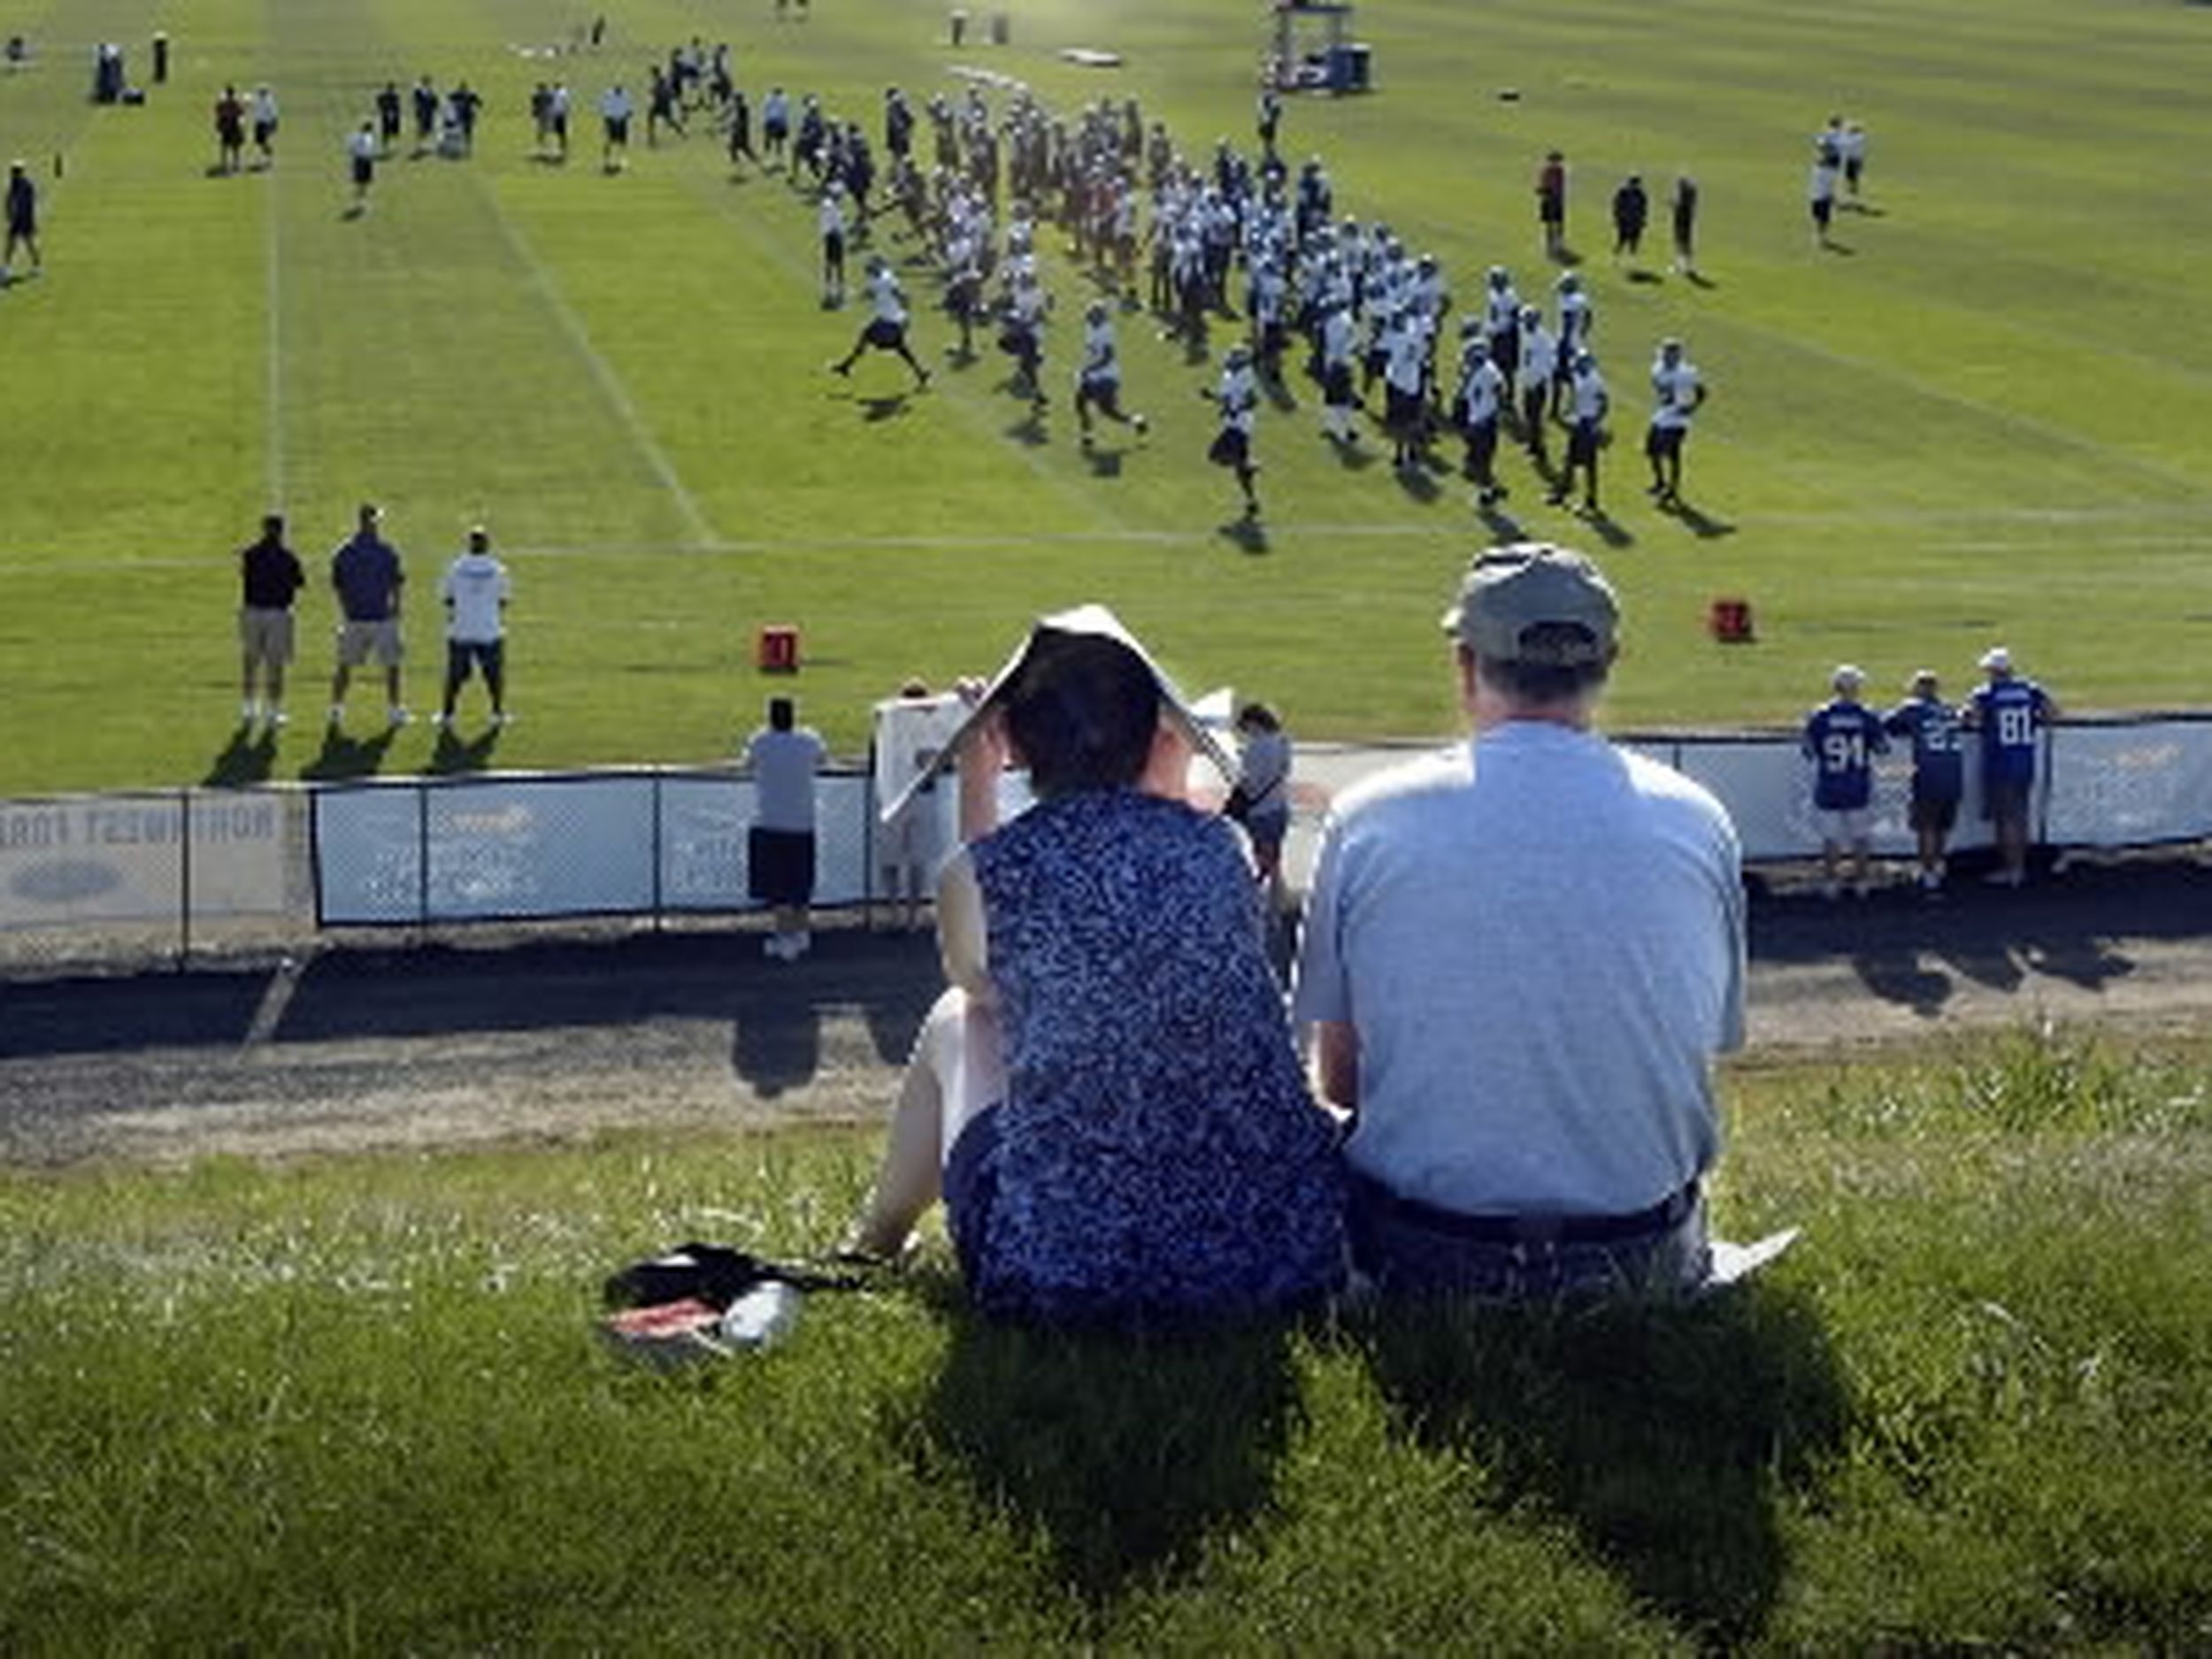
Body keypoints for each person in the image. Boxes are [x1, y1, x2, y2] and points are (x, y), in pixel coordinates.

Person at [849, 606, 1344, 1325]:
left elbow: (983, 988)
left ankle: (875, 1239)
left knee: (956, 1020)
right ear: (1157, 734)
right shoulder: (1224, 850)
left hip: (1064, 1272)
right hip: (1270, 1261)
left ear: (1015, 741)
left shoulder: (983, 870)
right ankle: (874, 1239)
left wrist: (976, 778)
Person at [1294, 546, 1744, 1298]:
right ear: (1611, 661)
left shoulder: (1371, 817)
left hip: (1424, 1253)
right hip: (1643, 1250)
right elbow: (1699, 1045)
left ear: (1464, 664)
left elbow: (1342, 1078)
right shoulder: (1697, 819)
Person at [1965, 646, 2058, 887]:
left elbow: (1972, 719)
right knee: (2020, 816)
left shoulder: (1985, 694)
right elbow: (2052, 713)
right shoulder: (2030, 689)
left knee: (2005, 820)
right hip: (2024, 760)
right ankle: (2019, 865)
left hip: (2000, 762)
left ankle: (2013, 869)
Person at [745, 695, 827, 960]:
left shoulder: (760, 741)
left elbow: (748, 763)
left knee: (779, 886)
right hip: (802, 823)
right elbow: (823, 760)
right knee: (800, 883)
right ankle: (801, 934)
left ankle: (784, 937)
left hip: (770, 821)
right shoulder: (809, 741)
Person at [1802, 664, 1890, 899]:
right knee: (1861, 837)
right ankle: (1861, 882)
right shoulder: (1867, 716)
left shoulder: (1821, 715)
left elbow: (1809, 750)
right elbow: (1883, 748)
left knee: (1831, 839)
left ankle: (1831, 882)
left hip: (1830, 784)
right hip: (1858, 784)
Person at [1884, 669, 1967, 893]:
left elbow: (1889, 725)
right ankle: (1938, 865)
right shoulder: (1949, 710)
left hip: (1929, 775)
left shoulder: (1913, 708)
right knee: (1941, 826)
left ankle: (1928, 872)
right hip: (1954, 775)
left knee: (1926, 827)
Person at [328, 503, 408, 729]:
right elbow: (396, 583)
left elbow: (338, 585)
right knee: (392, 665)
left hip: (354, 617)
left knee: (345, 665)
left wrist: (345, 610)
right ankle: (394, 710)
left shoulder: (344, 551)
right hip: (382, 618)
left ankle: (336, 709)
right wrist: (397, 608)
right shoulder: (386, 551)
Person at [434, 526, 511, 729]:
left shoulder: (455, 568)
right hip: (489, 629)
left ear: (470, 544)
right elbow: (503, 601)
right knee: (493, 675)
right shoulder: (498, 570)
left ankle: (447, 716)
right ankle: (497, 714)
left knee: (454, 676)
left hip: (461, 629)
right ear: (487, 545)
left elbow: (447, 598)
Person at [236, 513, 304, 727]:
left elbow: (244, 574)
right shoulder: (288, 557)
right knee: (275, 664)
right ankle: (273, 711)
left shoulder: (250, 554)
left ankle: (248, 708)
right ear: (281, 531)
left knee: (250, 661)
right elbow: (299, 583)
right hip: (278, 614)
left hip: (252, 612)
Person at [827, 254, 932, 388]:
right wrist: (853, 296)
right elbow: (870, 294)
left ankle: (846, 366)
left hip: (891, 321)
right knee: (901, 349)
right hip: (890, 319)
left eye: (870, 268)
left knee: (868, 337)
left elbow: (898, 293)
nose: (868, 271)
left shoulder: (886, 280)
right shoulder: (879, 279)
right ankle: (921, 373)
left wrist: (905, 310)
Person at [1228, 701, 1293, 901]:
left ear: (1254, 723)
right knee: (1274, 856)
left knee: (1263, 856)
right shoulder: (1283, 741)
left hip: (1260, 811)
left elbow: (1251, 785)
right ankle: (1278, 895)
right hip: (1280, 807)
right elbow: (1285, 770)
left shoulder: (1254, 748)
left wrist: (1237, 778)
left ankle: (1271, 899)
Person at [1072, 299, 1147, 447]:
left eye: (1093, 315)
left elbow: (1108, 357)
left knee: (1107, 411)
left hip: (1107, 376)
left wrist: (1089, 368)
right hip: (1093, 374)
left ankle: (1136, 421)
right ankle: (1088, 436)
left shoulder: (1106, 331)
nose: (1089, 317)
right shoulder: (1090, 327)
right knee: (1080, 403)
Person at [1645, 335, 1707, 505]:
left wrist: (1691, 408)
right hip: (1661, 416)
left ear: (1677, 355)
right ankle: (1660, 482)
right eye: (1665, 352)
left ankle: (1672, 489)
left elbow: (1702, 392)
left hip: (1678, 421)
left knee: (1672, 454)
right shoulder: (1657, 368)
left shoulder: (1687, 372)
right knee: (1651, 451)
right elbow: (1658, 386)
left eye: (1671, 353)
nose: (1666, 356)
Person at [1203, 344, 1263, 518]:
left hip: (1241, 425)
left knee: (1215, 455)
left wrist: (1237, 410)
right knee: (1239, 471)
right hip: (1231, 423)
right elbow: (1226, 398)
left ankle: (1247, 464)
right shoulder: (1228, 375)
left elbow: (1253, 400)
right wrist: (1211, 397)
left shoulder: (1248, 375)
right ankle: (1251, 500)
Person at [1550, 349, 1608, 516]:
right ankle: (1563, 492)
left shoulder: (1594, 381)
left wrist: (1595, 423)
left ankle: (1591, 500)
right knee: (1569, 459)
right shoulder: (1580, 376)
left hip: (1586, 424)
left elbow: (1604, 404)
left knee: (1589, 464)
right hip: (1579, 422)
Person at [2, 159, 39, 284]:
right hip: (17, 219)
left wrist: (17, 216)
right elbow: (8, 200)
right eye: (14, 170)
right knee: (11, 244)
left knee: (29, 244)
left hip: (24, 219)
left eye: (16, 171)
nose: (15, 173)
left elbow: (28, 203)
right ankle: (7, 268)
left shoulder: (26, 185)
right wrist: (9, 213)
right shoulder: (14, 183)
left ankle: (36, 266)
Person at [1535, 149, 1567, 261]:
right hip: (1548, 200)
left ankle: (1558, 243)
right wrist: (1544, 192)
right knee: (1549, 224)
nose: (1556, 163)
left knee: (1559, 223)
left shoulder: (1560, 171)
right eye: (1555, 160)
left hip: (1558, 200)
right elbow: (1540, 186)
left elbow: (1562, 187)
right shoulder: (1546, 171)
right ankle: (1549, 245)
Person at [1610, 173, 1648, 262]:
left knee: (1634, 242)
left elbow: (1644, 208)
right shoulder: (1623, 192)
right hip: (1625, 221)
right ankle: (1615, 258)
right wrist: (1617, 218)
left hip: (1635, 222)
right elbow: (1617, 206)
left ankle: (1632, 260)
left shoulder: (1640, 194)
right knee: (1621, 241)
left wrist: (1642, 220)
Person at [1670, 173, 1700, 276]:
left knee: (1680, 245)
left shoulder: (1683, 199)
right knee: (1687, 245)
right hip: (1688, 222)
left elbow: (1677, 208)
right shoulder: (1690, 197)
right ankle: (1688, 266)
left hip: (1681, 223)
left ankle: (1681, 267)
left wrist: (1672, 204)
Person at [599, 82, 633, 171]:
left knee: (622, 142)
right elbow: (603, 105)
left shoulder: (625, 95)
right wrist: (606, 117)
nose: (619, 90)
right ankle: (607, 161)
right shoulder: (609, 94)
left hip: (622, 120)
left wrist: (628, 114)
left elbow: (629, 107)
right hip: (612, 120)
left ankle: (620, 160)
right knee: (610, 141)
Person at [345, 119, 378, 211]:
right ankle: (359, 203)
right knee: (362, 184)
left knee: (363, 183)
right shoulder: (364, 137)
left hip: (362, 160)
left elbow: (349, 149)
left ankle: (361, 203)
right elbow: (352, 148)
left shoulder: (357, 136)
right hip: (362, 161)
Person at [214, 85, 247, 173]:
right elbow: (241, 113)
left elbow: (217, 111)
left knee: (225, 147)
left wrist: (219, 126)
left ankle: (225, 164)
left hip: (226, 128)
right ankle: (236, 164)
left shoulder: (223, 103)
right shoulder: (235, 103)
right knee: (235, 147)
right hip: (234, 127)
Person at [250, 85, 279, 167]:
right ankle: (263, 159)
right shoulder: (258, 100)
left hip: (265, 123)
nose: (260, 93)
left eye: (262, 92)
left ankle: (268, 159)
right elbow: (252, 105)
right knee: (259, 142)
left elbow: (274, 114)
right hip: (258, 123)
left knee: (264, 142)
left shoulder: (269, 101)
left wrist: (274, 125)